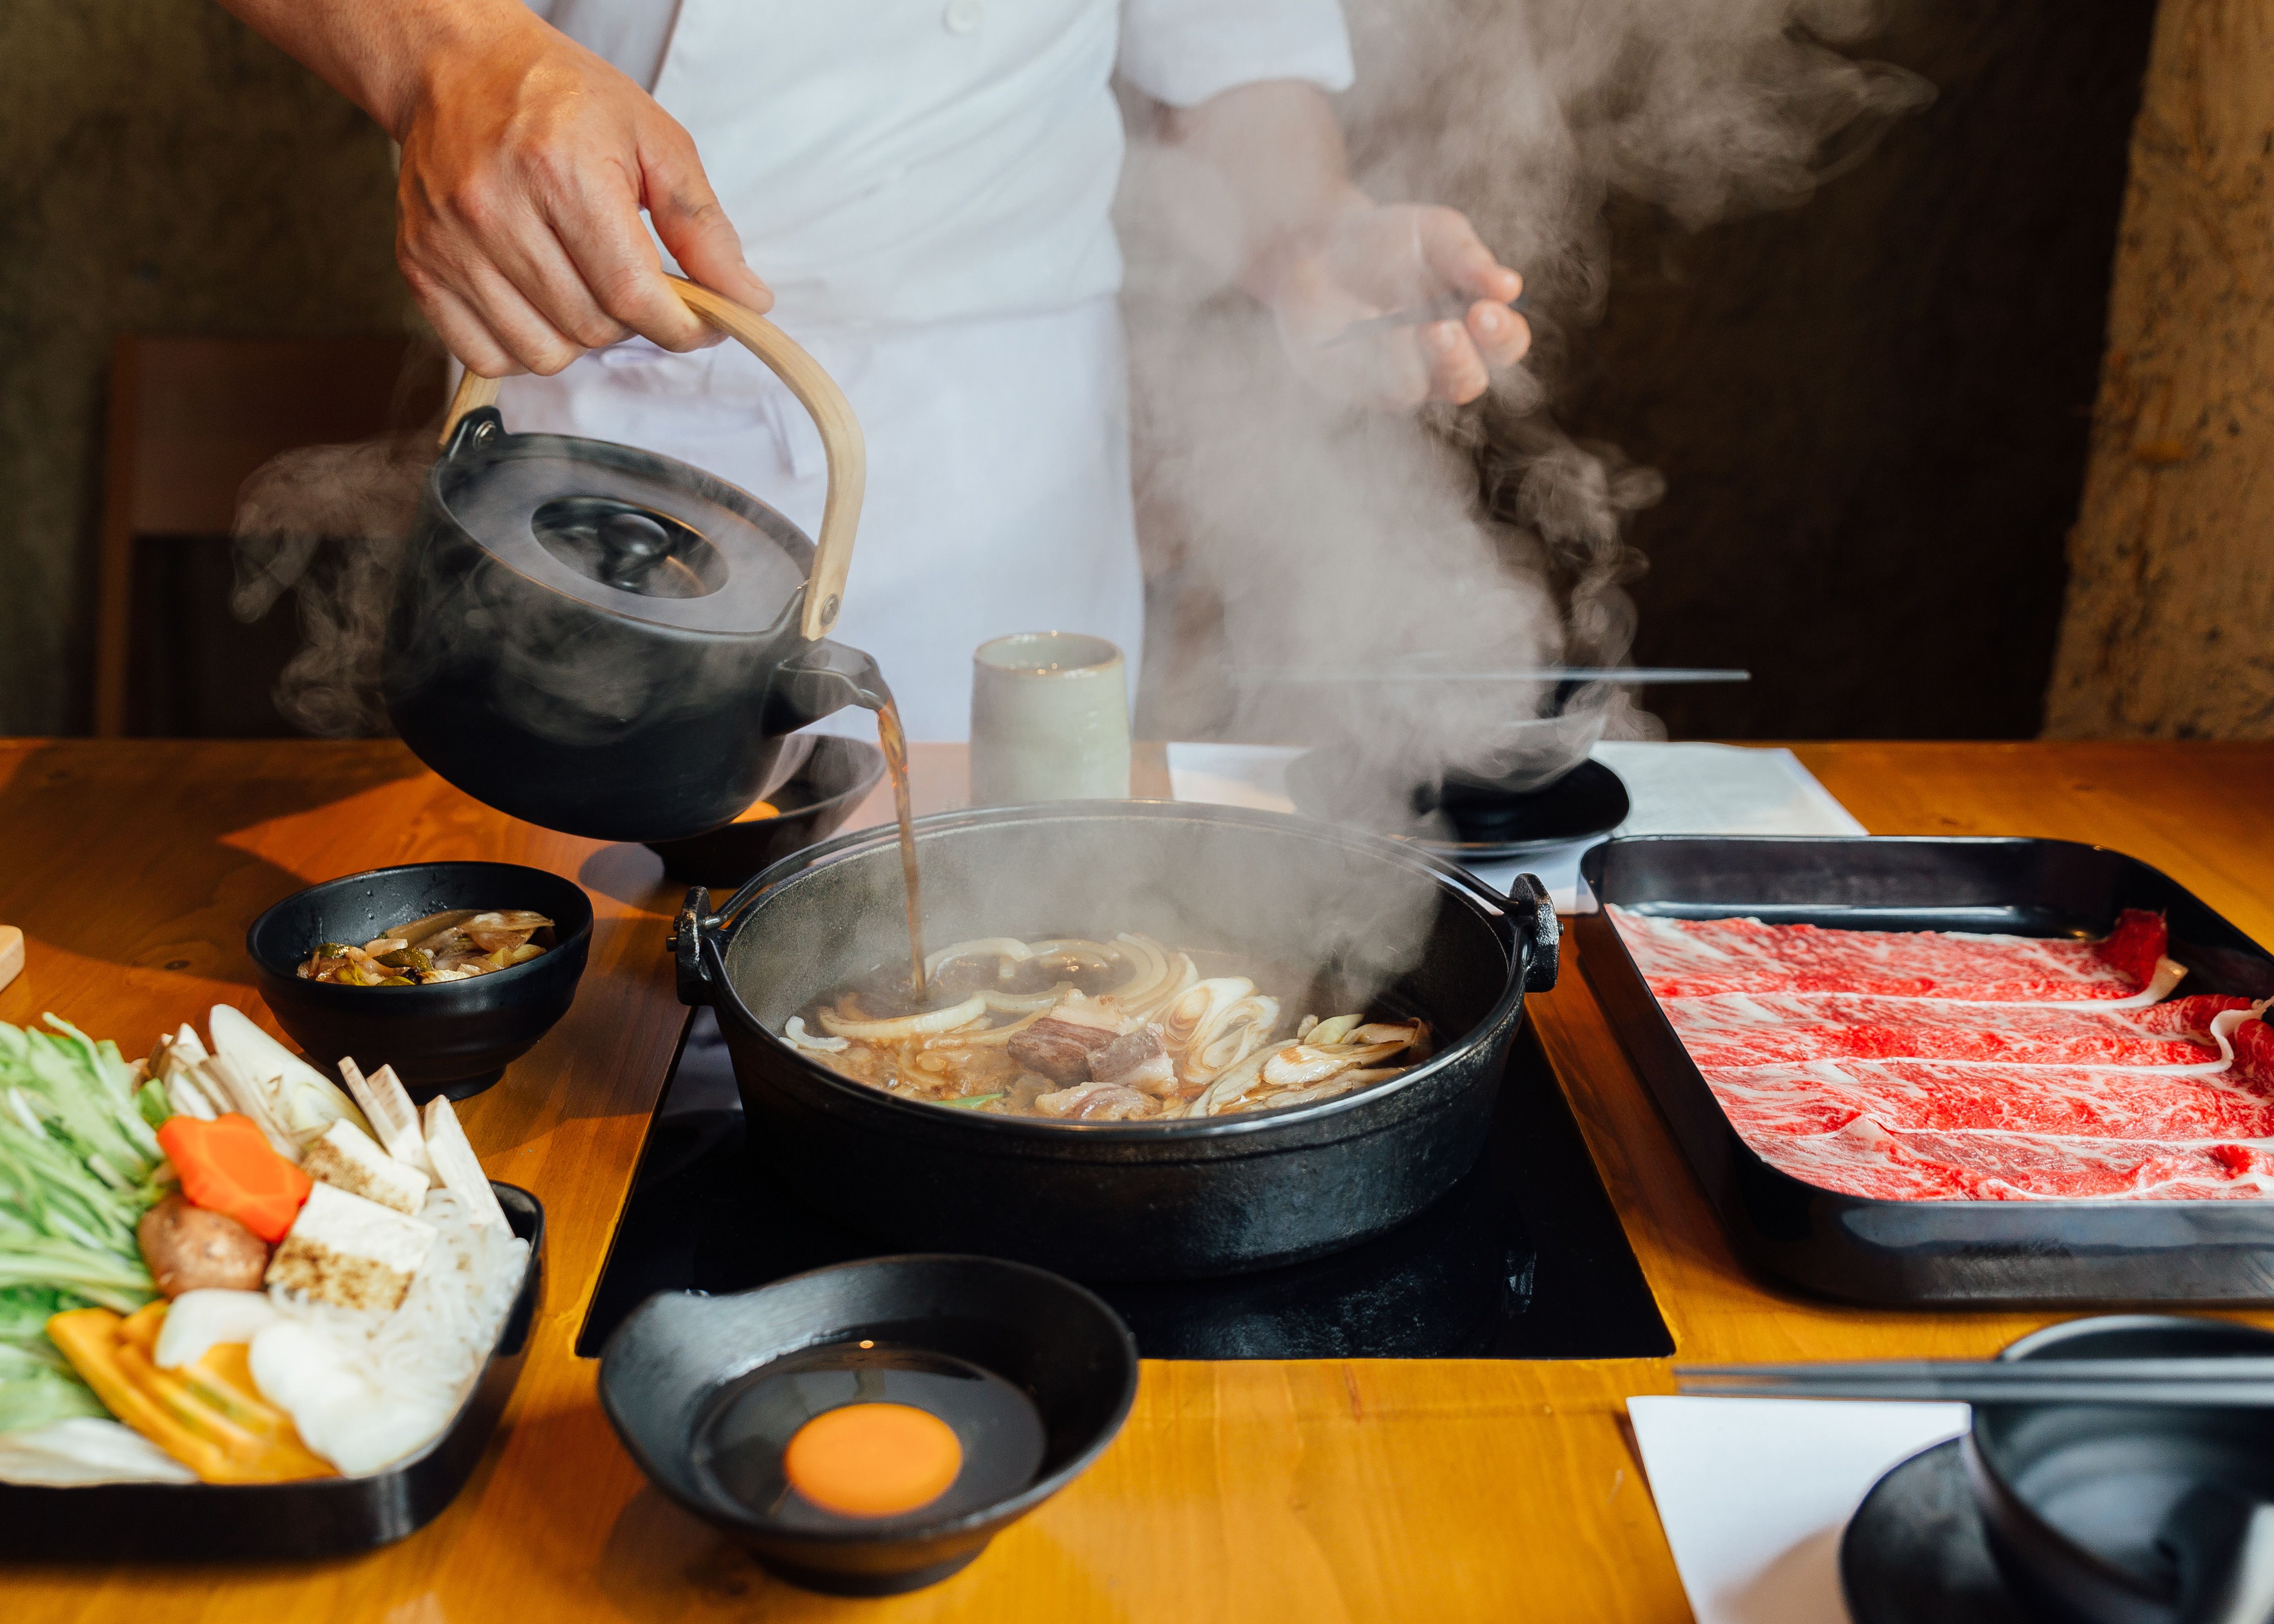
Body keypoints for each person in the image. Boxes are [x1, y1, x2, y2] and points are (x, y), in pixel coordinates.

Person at [216, 0, 1531, 738]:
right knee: (560, 1078)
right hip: (581, 405)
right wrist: (447, 54)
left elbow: (1234, 64)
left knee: (1005, 1022)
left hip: (991, 483)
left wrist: (1310, 230)